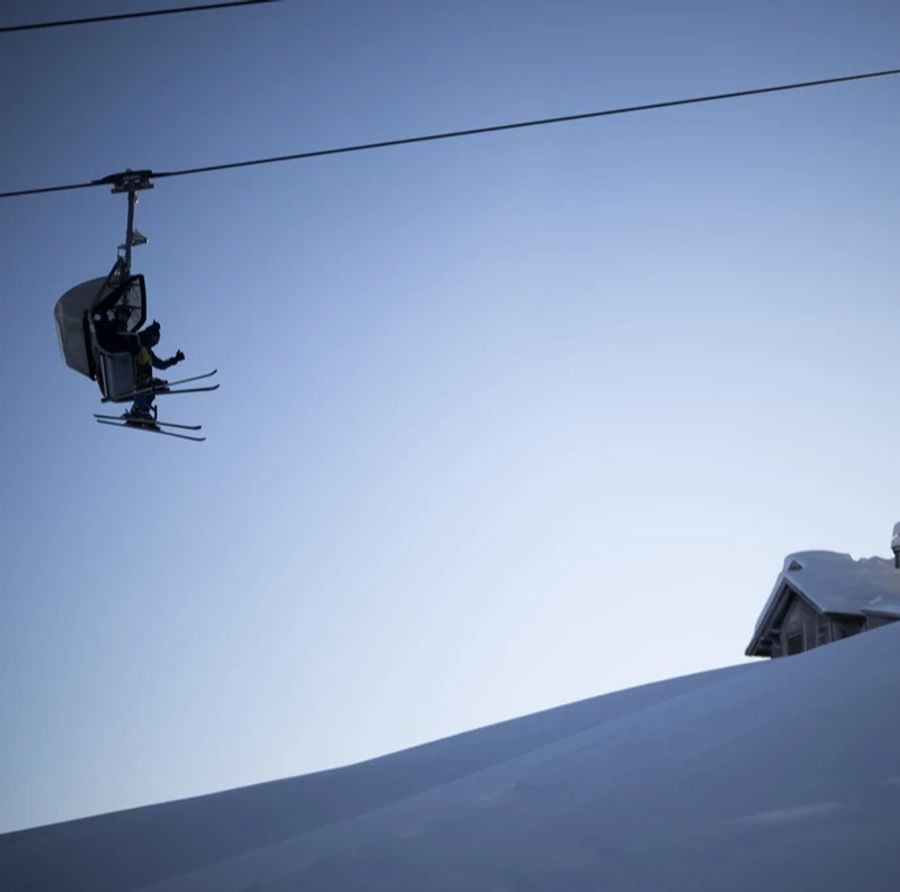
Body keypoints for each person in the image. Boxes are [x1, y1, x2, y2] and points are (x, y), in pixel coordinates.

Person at [126, 320, 185, 421]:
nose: (155, 341)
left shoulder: (149, 353)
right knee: (144, 386)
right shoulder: (137, 344)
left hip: (146, 380)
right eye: (154, 338)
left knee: (151, 390)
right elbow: (129, 347)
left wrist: (173, 360)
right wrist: (133, 345)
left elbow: (161, 364)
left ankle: (143, 412)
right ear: (149, 336)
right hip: (136, 378)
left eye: (156, 340)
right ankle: (139, 409)